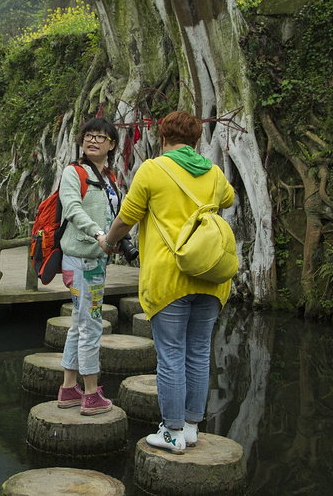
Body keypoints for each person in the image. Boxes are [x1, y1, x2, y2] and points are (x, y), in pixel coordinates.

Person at [103, 110, 235, 453]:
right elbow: (228, 199)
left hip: (169, 278)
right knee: (198, 351)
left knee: (172, 355)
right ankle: (191, 427)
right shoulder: (216, 174)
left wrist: (108, 241)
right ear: (196, 141)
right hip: (211, 277)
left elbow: (126, 219)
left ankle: (171, 432)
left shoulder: (153, 169)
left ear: (162, 138)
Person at [56, 117, 122, 416]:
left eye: (100, 137)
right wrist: (99, 234)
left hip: (96, 260)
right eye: (88, 135)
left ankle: (69, 388)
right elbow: (71, 208)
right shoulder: (74, 172)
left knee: (80, 323)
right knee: (91, 324)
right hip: (81, 259)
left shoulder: (108, 176)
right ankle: (92, 395)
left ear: (112, 145)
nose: (93, 140)